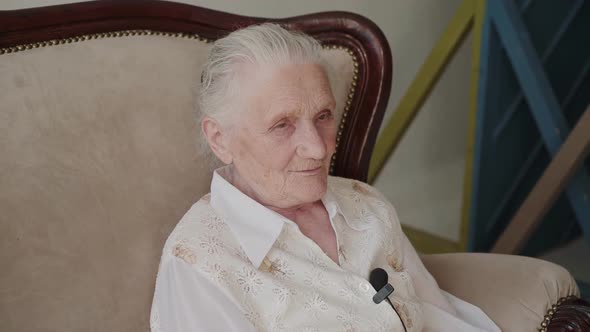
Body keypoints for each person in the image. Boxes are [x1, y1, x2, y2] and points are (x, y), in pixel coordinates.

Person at [150, 23, 500, 332]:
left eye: (323, 116)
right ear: (219, 139)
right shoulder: (200, 265)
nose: (318, 148)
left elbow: (437, 317)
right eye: (282, 125)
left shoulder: (367, 206)